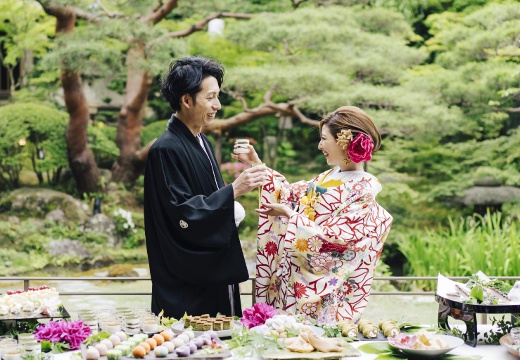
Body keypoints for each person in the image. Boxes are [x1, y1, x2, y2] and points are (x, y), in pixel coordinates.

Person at [232, 106, 393, 324]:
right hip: (293, 281)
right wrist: (256, 164)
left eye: (324, 139)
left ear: (343, 142)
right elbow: (289, 193)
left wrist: (290, 215)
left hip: (321, 290)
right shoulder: (330, 175)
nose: (319, 145)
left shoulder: (363, 189)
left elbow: (339, 241)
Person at [144, 56, 267, 319]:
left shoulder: (201, 141)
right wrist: (233, 191)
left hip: (210, 270)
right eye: (210, 98)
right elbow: (182, 213)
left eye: (217, 97)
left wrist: (233, 191)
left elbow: (207, 200)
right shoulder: (165, 148)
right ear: (186, 100)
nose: (217, 105)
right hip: (187, 281)